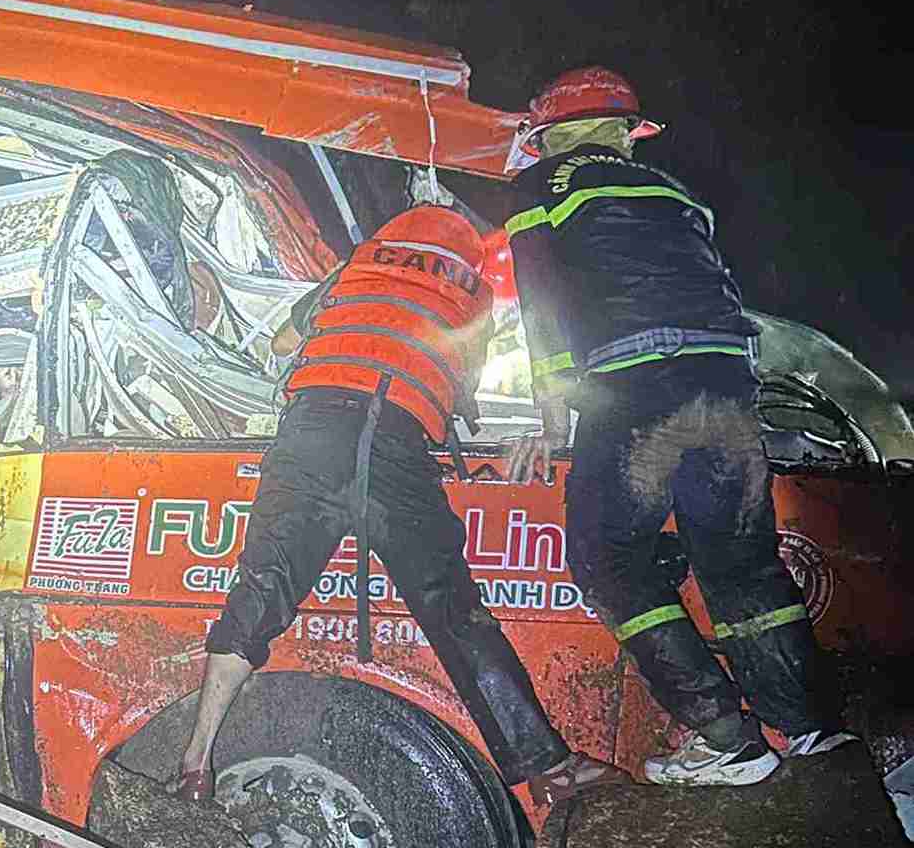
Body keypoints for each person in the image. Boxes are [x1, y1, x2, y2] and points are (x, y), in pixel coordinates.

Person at [172, 204, 621, 807]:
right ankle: (549, 768)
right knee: (451, 606)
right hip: (392, 439)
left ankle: (195, 762)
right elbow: (461, 392)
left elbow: (284, 342)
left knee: (260, 588)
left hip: (309, 431)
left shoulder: (358, 267)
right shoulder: (473, 294)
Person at [503, 66, 852, 786]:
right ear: (623, 132)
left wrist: (551, 411)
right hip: (727, 388)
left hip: (637, 389)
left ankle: (727, 737)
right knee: (742, 564)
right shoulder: (674, 191)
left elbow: (543, 305)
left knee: (609, 559)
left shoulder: (542, 188)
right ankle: (812, 728)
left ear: (552, 134)